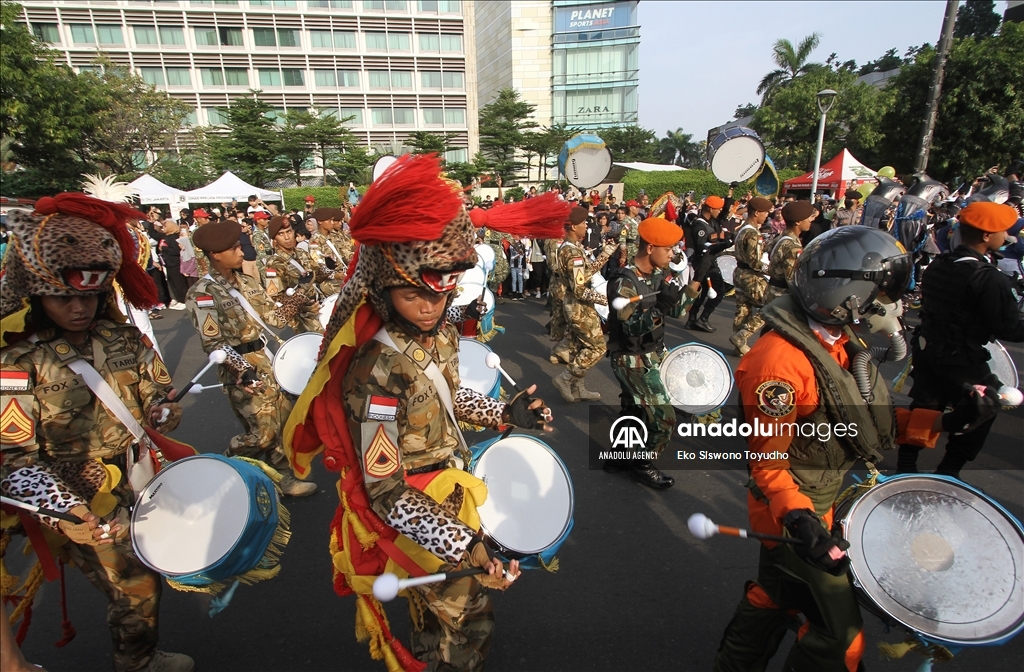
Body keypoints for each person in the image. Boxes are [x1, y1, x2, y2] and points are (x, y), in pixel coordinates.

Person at [283, 154, 565, 670]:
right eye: (414, 294)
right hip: (414, 512)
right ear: (382, 287)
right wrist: (463, 543)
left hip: (453, 490)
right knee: (463, 629)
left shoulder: (443, 337)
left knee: (454, 625)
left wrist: (504, 411)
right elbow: (385, 488)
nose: (430, 307)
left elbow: (447, 398)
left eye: (440, 293)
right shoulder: (375, 374)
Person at [713, 226, 1002, 672]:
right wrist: (798, 516)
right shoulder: (782, 362)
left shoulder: (841, 345)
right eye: (884, 293)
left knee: (776, 595)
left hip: (823, 497)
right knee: (840, 637)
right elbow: (767, 460)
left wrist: (946, 422)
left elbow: (865, 424)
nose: (891, 306)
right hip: (795, 506)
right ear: (847, 292)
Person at [0, 194, 193, 672]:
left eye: (90, 295)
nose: (80, 307)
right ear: (38, 293)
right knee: (136, 583)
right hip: (78, 490)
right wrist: (67, 507)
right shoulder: (18, 365)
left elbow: (157, 393)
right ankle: (137, 662)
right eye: (65, 297)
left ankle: (139, 654)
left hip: (142, 476)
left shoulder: (124, 338)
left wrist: (163, 411)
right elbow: (11, 459)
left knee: (154, 571)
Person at [185, 219, 317, 497]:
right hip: (242, 369)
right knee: (260, 433)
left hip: (267, 359)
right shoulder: (203, 293)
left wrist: (303, 290)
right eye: (233, 248)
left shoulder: (246, 282)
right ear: (215, 255)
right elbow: (213, 343)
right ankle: (225, 465)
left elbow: (274, 317)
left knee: (281, 420)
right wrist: (241, 370)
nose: (241, 252)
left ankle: (283, 479)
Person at [897, 202, 1024, 478]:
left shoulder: (940, 264)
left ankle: (906, 463)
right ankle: (949, 471)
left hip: (927, 351)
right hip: (962, 358)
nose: (1008, 236)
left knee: (925, 407)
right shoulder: (988, 278)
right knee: (982, 408)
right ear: (987, 237)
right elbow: (1008, 328)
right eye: (1004, 231)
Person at [605, 218, 689, 489]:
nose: (672, 254)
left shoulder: (659, 274)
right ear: (650, 247)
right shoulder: (623, 282)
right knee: (664, 417)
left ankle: (618, 457)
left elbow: (677, 310)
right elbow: (630, 327)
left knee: (634, 411)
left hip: (653, 353)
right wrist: (660, 307)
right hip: (631, 358)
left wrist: (690, 290)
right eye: (668, 249)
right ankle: (643, 464)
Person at [553, 206, 615, 402]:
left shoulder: (570, 247)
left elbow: (586, 274)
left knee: (581, 348)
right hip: (579, 307)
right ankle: (565, 379)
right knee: (597, 348)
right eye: (583, 224)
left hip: (575, 304)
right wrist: (605, 300)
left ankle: (578, 388)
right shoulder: (573, 253)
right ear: (573, 226)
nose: (586, 227)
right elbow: (580, 288)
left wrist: (605, 254)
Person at [265, 216, 331, 333]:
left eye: (289, 231)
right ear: (274, 239)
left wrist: (328, 267)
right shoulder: (274, 264)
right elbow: (275, 299)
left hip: (317, 305)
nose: (287, 237)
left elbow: (317, 277)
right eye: (281, 234)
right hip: (300, 316)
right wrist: (302, 298)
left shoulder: (301, 253)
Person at [729, 197, 773, 355]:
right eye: (765, 212)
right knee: (769, 307)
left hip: (739, 272)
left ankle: (738, 346)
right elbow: (754, 261)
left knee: (743, 309)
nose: (767, 215)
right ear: (756, 213)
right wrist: (770, 269)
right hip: (751, 276)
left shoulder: (742, 229)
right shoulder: (753, 232)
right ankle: (742, 336)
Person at [685, 195, 733, 332]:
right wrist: (723, 245)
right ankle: (703, 318)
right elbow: (703, 248)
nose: (719, 211)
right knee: (719, 290)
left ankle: (692, 319)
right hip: (705, 263)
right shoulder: (699, 225)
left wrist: (730, 195)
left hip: (709, 261)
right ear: (711, 209)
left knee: (703, 291)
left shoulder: (711, 222)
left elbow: (724, 214)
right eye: (717, 209)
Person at [764, 201, 815, 305]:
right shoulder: (793, 246)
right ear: (797, 222)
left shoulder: (781, 237)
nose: (811, 220)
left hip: (772, 292)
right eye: (808, 217)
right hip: (783, 297)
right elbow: (792, 278)